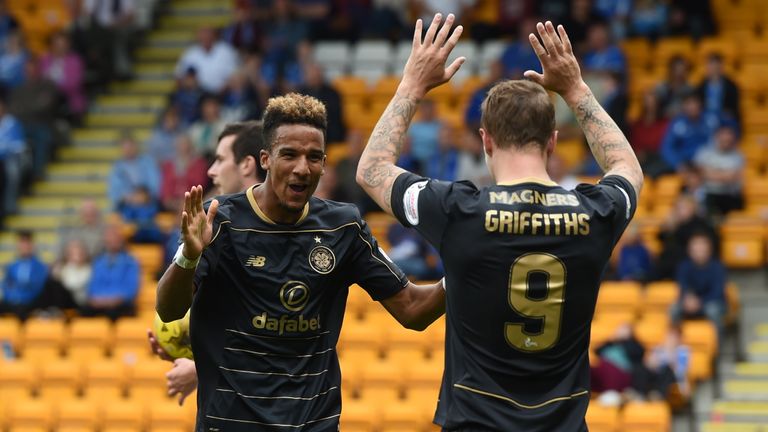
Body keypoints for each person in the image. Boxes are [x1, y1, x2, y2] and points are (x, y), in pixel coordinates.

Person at [356, 16, 643, 430]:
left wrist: (412, 84)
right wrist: (576, 88)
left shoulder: (458, 210)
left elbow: (372, 169)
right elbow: (626, 168)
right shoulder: (594, 213)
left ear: (486, 139)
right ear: (552, 141)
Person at [156, 93, 446, 430]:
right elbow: (169, 309)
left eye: (314, 157)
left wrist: (465, 265)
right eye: (289, 155)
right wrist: (189, 256)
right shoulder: (219, 221)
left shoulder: (343, 226)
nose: (302, 168)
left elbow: (412, 308)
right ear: (265, 158)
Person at [149, 121, 265, 406]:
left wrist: (202, 368)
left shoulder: (277, 232)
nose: (211, 170)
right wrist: (192, 350)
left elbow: (273, 333)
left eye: (221, 159)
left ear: (248, 165)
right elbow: (169, 307)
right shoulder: (210, 224)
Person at [670, 233, 727, 338]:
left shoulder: (718, 267)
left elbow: (717, 292)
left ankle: (718, 346)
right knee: (674, 309)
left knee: (713, 310)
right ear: (690, 251)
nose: (699, 252)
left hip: (711, 302)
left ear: (709, 250)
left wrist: (700, 302)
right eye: (695, 249)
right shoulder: (684, 266)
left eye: (702, 249)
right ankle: (676, 343)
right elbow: (683, 287)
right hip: (690, 302)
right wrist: (688, 299)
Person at [82, 224, 140, 320]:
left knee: (115, 312)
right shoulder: (98, 262)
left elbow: (131, 289)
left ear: (120, 240)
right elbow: (92, 287)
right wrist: (99, 300)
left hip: (120, 304)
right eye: (109, 239)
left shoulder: (130, 262)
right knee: (84, 310)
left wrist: (114, 300)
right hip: (100, 304)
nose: (112, 242)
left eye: (115, 238)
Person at [693, 123, 744, 217]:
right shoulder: (705, 153)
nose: (725, 142)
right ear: (716, 137)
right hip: (710, 194)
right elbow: (701, 173)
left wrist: (712, 173)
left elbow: (732, 177)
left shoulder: (738, 156)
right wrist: (724, 174)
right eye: (723, 139)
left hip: (730, 195)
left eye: (728, 140)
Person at [0, 230, 48, 319]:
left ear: (32, 245)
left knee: (21, 310)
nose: (24, 246)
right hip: (13, 302)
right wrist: (12, 298)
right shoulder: (12, 266)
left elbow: (38, 288)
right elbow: (6, 285)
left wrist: (21, 298)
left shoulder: (39, 266)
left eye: (27, 243)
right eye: (22, 243)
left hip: (30, 303)